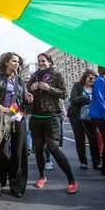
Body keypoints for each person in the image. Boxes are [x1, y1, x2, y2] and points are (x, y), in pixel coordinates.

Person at [26, 52, 78, 194]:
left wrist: (48, 88)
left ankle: (72, 180)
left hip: (51, 116)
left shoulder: (57, 75)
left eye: (43, 61)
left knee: (54, 148)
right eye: (39, 61)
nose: (41, 63)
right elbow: (26, 94)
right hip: (36, 116)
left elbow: (63, 94)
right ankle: (42, 176)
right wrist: (30, 91)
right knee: (38, 149)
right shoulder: (34, 77)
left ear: (50, 62)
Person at [0, 52, 31, 198]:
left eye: (18, 61)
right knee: (1, 152)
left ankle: (16, 186)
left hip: (18, 117)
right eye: (14, 61)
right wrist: (0, 108)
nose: (16, 63)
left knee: (18, 152)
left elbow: (23, 101)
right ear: (6, 62)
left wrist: (28, 99)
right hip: (2, 117)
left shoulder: (20, 80)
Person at [67, 69, 101, 170]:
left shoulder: (95, 87)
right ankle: (83, 161)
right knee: (80, 139)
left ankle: (97, 162)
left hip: (90, 118)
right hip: (77, 117)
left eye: (95, 79)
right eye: (90, 78)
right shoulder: (78, 86)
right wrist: (87, 97)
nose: (92, 80)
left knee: (93, 139)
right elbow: (74, 100)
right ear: (85, 77)